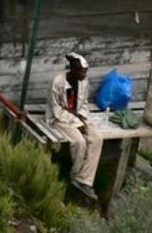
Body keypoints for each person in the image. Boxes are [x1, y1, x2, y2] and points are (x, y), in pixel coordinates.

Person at [46, 52, 103, 200]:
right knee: (79, 141)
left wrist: (82, 120)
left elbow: (83, 104)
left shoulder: (84, 81)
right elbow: (56, 110)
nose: (85, 75)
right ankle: (75, 175)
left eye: (86, 71)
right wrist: (76, 123)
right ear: (73, 70)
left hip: (78, 116)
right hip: (59, 119)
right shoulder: (57, 82)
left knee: (97, 138)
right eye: (82, 72)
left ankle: (85, 180)